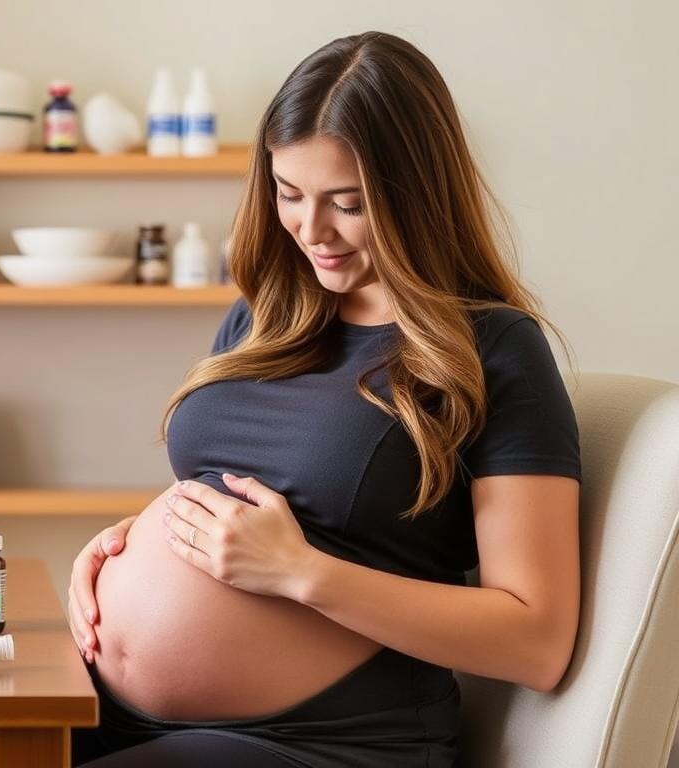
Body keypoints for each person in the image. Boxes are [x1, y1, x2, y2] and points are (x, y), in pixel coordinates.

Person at [68, 30, 581, 767]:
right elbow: (249, 492)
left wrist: (302, 574)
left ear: (417, 196)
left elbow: (537, 639)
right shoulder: (264, 316)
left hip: (327, 744)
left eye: (348, 204)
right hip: (111, 704)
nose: (312, 231)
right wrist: (122, 545)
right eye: (289, 193)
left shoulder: (493, 349)